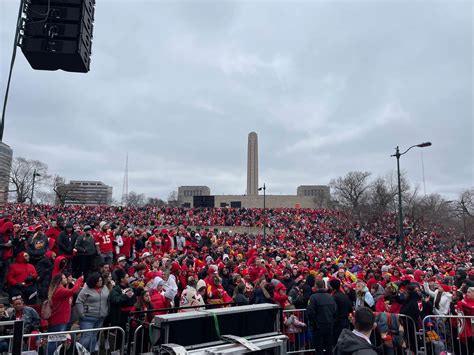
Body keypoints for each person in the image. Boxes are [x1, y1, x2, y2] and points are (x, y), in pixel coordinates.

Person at [76, 272, 110, 353]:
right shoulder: (86, 289)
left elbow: (108, 298)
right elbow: (79, 301)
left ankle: (90, 352)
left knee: (94, 335)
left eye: (101, 280)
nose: (100, 282)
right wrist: (82, 314)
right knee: (86, 337)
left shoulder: (105, 287)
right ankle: (81, 352)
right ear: (93, 281)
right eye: (98, 281)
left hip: (101, 317)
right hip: (88, 317)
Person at [306, 279, 337, 355]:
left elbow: (310, 312)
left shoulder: (313, 297)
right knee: (329, 348)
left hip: (318, 327)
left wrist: (313, 323)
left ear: (316, 286)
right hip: (329, 325)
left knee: (319, 349)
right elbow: (335, 311)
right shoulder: (330, 297)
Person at [329, 279, 353, 346]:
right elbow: (350, 308)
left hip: (337, 322)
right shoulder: (345, 295)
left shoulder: (334, 297)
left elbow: (334, 310)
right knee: (344, 342)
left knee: (337, 342)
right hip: (345, 321)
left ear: (331, 287)